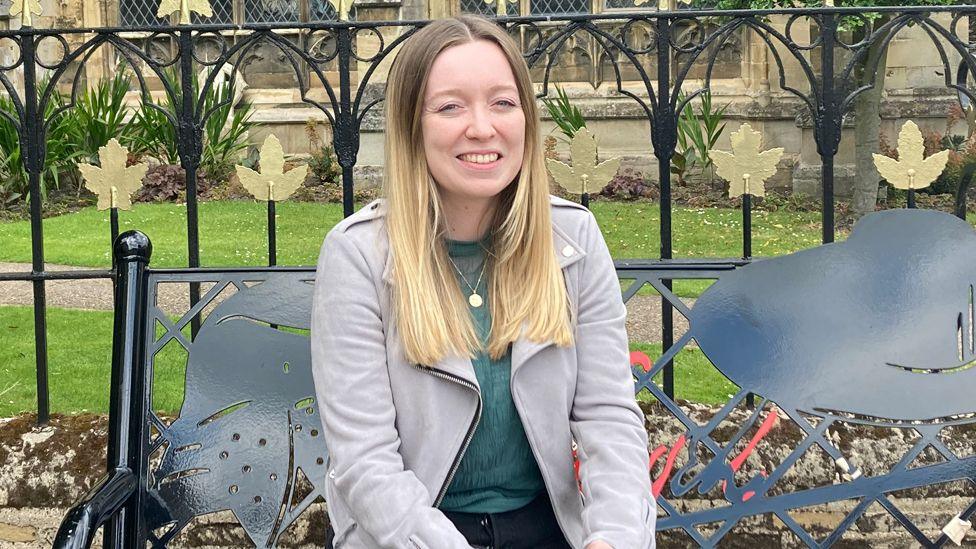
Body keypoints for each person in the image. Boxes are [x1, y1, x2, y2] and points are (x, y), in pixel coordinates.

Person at [310, 14, 655, 549]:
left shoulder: (573, 239)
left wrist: (614, 537)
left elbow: (608, 417)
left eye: (502, 102)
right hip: (410, 533)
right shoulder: (358, 256)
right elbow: (364, 460)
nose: (482, 127)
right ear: (411, 127)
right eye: (450, 106)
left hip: (546, 527)